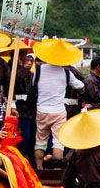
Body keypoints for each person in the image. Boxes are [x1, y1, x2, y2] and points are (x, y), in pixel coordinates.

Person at [31, 39, 85, 168]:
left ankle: (39, 168)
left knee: (40, 141)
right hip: (58, 111)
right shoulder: (66, 73)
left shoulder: (38, 70)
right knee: (58, 142)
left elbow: (34, 85)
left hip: (42, 110)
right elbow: (81, 85)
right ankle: (57, 169)